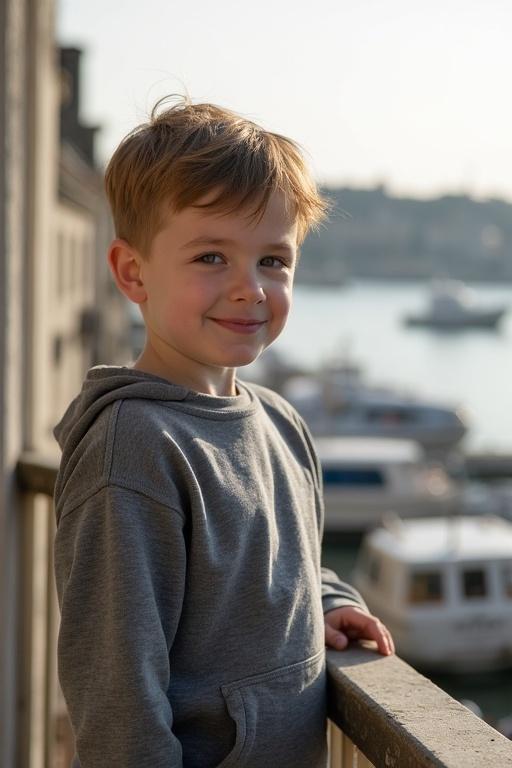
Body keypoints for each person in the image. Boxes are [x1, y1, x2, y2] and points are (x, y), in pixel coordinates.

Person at [53, 98, 394, 768]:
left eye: (274, 260)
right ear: (133, 273)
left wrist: (325, 602)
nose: (250, 289)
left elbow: (278, 568)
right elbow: (117, 695)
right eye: (212, 256)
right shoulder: (137, 447)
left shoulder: (280, 422)